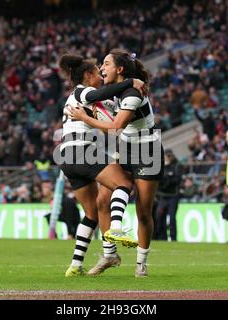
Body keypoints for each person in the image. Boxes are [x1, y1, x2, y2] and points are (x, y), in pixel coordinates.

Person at [69, 49, 164, 277]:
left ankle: (141, 262)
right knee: (102, 199)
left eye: (106, 64)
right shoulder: (116, 91)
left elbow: (116, 127)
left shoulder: (133, 93)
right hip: (125, 149)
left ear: (119, 69)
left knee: (143, 210)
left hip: (147, 151)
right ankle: (109, 254)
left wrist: (85, 118)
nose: (101, 68)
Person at [57, 54, 145, 277]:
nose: (101, 75)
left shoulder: (79, 98)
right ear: (87, 76)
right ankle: (116, 228)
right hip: (81, 149)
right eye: (98, 72)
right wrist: (130, 82)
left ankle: (76, 265)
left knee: (91, 213)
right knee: (123, 183)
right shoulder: (81, 90)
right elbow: (100, 94)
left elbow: (105, 110)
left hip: (67, 155)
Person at [154, 149, 182, 241]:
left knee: (172, 218)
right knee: (159, 217)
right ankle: (162, 237)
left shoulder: (177, 166)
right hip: (163, 196)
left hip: (173, 196)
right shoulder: (161, 166)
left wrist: (168, 179)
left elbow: (177, 180)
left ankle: (173, 238)